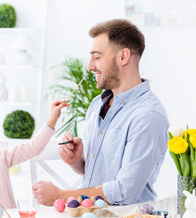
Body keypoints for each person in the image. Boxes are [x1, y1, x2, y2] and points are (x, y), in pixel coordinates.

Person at [32, 19, 169, 206]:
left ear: (123, 57)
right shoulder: (98, 104)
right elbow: (99, 172)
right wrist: (77, 161)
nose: (89, 66)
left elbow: (124, 191)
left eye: (97, 57)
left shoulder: (148, 116)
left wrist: (60, 196)